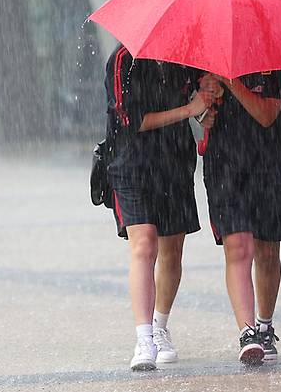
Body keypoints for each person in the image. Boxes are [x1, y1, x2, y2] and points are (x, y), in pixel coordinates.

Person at [103, 44, 216, 371]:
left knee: (172, 251)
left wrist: (208, 104)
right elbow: (130, 121)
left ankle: (160, 325)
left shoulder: (185, 56)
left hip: (175, 164)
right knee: (145, 245)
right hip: (132, 166)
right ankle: (144, 339)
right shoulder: (123, 60)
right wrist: (188, 109)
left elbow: (201, 111)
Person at [200, 69, 281, 365]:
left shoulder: (279, 60)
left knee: (267, 252)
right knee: (239, 247)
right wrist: (205, 108)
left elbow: (267, 114)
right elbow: (200, 112)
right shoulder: (211, 55)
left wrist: (232, 83)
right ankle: (247, 332)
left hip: (272, 164)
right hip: (225, 167)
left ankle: (264, 326)